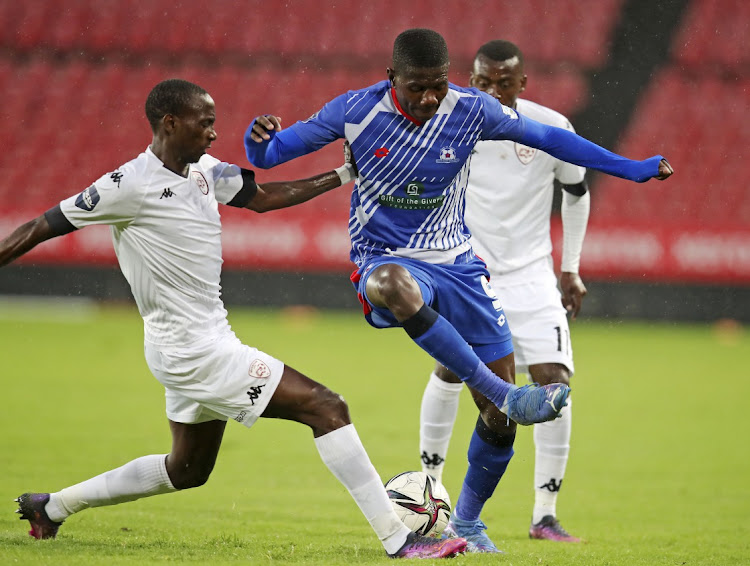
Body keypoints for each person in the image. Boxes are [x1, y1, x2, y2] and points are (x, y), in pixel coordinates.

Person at [243, 29, 673, 554]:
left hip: (461, 266)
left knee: (500, 422)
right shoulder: (354, 111)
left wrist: (631, 168)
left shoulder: (470, 109)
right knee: (390, 286)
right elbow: (269, 156)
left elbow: (553, 141)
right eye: (418, 87)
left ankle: (468, 522)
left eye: (437, 86)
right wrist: (256, 137)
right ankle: (504, 396)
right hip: (389, 258)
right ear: (391, 78)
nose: (429, 98)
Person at [2, 79, 468, 560]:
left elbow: (263, 197)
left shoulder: (204, 170)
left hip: (193, 343)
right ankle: (400, 540)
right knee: (327, 408)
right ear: (170, 123)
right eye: (204, 123)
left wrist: (344, 173)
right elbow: (41, 225)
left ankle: (50, 507)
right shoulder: (128, 185)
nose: (213, 132)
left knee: (188, 470)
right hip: (194, 352)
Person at [419, 39, 592, 545]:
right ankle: (431, 490)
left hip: (534, 275)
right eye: (482, 83)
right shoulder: (446, 123)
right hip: (468, 272)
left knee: (555, 384)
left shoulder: (551, 128)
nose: (492, 91)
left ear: (523, 84)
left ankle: (545, 515)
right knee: (453, 371)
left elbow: (577, 192)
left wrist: (571, 268)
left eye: (503, 83)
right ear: (469, 82)